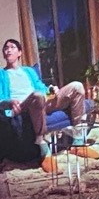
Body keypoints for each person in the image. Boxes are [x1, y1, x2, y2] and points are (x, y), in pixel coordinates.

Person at [0, 38, 92, 173]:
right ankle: (44, 151)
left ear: (19, 52)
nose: (8, 50)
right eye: (6, 48)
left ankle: (78, 142)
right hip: (22, 105)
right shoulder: (1, 74)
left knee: (77, 86)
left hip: (42, 100)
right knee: (37, 96)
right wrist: (9, 101)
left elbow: (41, 87)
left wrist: (51, 89)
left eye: (12, 47)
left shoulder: (28, 71)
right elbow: (1, 97)